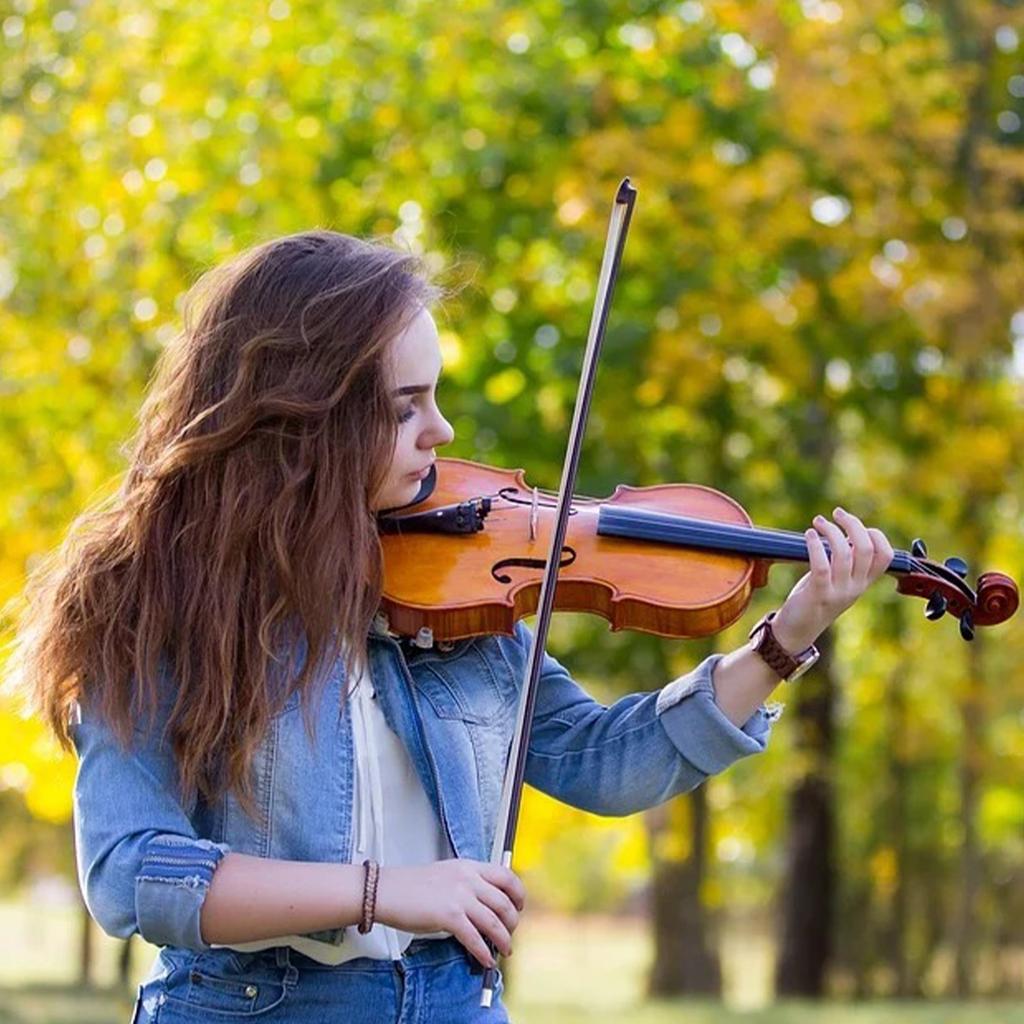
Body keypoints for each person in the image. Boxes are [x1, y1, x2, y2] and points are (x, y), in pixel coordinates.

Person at [9, 230, 894, 1022]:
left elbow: (600, 760)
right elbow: (132, 872)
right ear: (305, 415)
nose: (443, 429)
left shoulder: (455, 585)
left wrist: (782, 639)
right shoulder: (157, 602)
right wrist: (384, 893)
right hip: (254, 1007)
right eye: (403, 407)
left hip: (450, 1001)